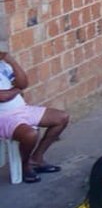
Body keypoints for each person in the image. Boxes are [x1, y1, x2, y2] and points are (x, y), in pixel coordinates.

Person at [0, 48, 69, 183]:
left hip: (22, 109)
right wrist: (17, 90)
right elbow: (2, 97)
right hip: (3, 117)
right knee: (30, 134)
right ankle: (24, 166)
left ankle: (37, 159)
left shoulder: (3, 64)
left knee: (62, 117)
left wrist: (11, 61)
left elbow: (23, 83)